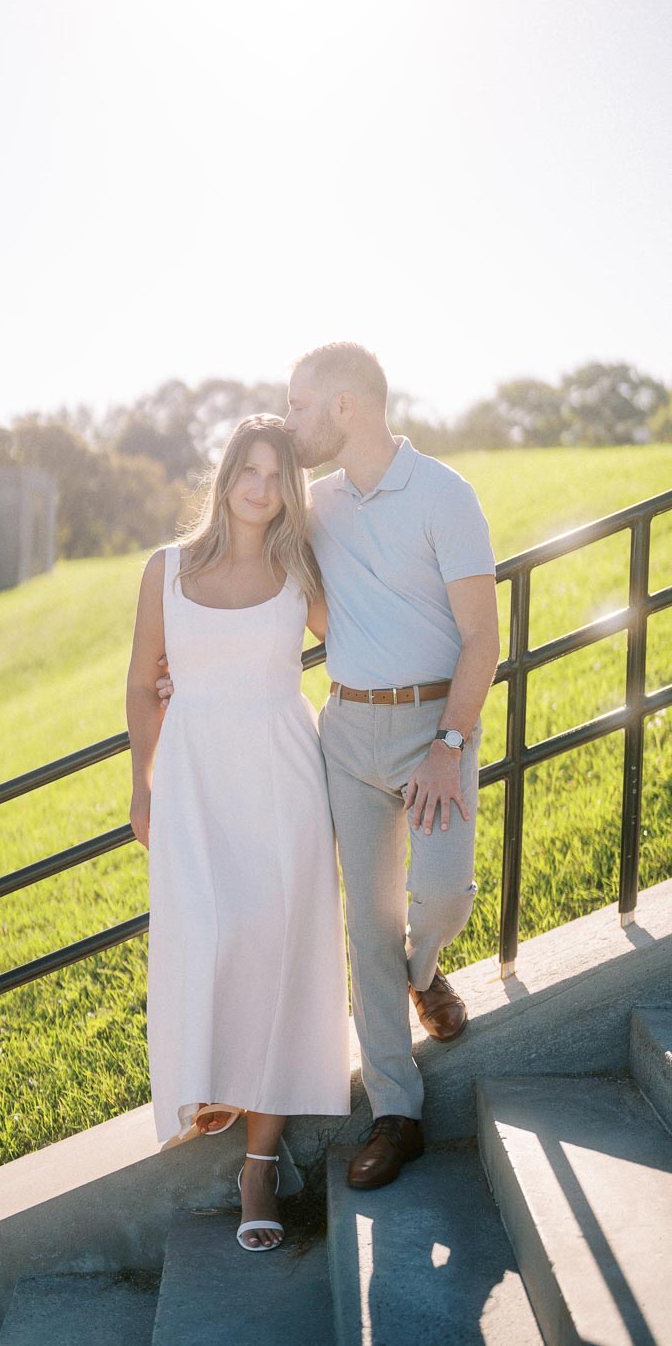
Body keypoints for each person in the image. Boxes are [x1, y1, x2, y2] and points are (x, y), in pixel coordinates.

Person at [126, 414, 351, 1251]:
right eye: (247, 471)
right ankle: (210, 1080)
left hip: (284, 774)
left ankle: (260, 1161)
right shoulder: (167, 570)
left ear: (290, 490)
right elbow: (143, 684)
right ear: (223, 478)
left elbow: (357, 637)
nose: (259, 488)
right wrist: (141, 784)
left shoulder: (300, 566)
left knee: (277, 942)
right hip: (191, 779)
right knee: (208, 932)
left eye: (275, 477)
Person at [283, 342, 500, 1190]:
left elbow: (484, 637)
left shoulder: (445, 494)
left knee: (444, 893)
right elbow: (316, 613)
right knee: (364, 927)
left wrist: (448, 746)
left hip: (434, 730)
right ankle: (395, 1113)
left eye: (299, 406)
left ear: (345, 405)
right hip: (348, 730)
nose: (291, 421)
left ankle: (425, 969)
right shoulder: (320, 506)